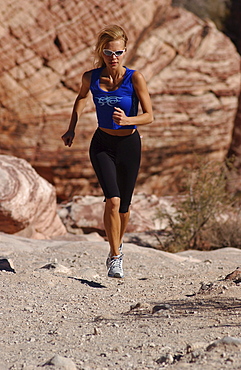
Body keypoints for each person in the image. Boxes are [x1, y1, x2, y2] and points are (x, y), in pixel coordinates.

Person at [61, 25, 153, 278]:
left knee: (124, 208)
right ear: (101, 52)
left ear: (125, 51)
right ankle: (115, 257)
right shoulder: (90, 77)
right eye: (108, 52)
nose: (113, 57)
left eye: (118, 52)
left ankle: (116, 244)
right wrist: (72, 128)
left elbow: (150, 115)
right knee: (112, 201)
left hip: (129, 145)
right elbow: (81, 98)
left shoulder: (136, 78)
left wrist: (129, 120)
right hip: (102, 144)